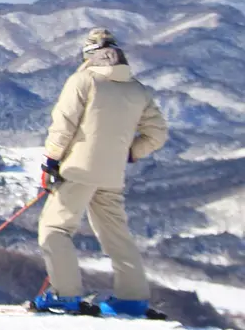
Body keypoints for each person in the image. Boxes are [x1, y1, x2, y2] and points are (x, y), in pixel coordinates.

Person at [33, 29, 168, 318]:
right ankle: (132, 299)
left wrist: (51, 160)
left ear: (88, 56)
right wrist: (130, 152)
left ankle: (65, 295)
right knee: (116, 234)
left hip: (78, 169)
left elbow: (63, 125)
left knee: (55, 229)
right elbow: (157, 134)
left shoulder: (83, 81)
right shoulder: (136, 89)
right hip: (112, 173)